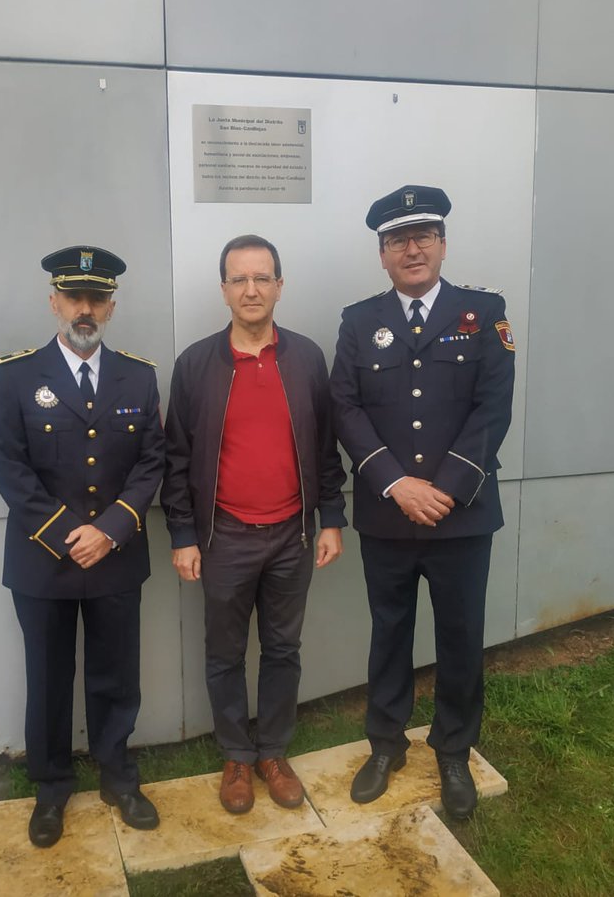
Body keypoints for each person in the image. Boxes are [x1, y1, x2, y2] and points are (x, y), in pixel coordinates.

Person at [330, 185, 515, 820]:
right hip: (388, 513)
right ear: (381, 254)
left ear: (442, 243)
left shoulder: (482, 312)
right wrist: (393, 482)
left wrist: (447, 488)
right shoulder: (358, 321)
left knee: (461, 636)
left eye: (422, 237)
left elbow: (493, 407)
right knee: (390, 631)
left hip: (461, 515)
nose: (411, 250)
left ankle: (455, 749)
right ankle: (386, 744)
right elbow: (345, 408)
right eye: (396, 241)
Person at [0, 245, 164, 848]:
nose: (84, 309)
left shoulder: (138, 375)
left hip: (115, 555)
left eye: (97, 298)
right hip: (44, 562)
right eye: (74, 297)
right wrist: (70, 534)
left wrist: (110, 528)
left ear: (111, 307)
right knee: (49, 677)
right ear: (54, 301)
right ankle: (52, 788)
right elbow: (9, 467)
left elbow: (151, 462)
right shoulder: (14, 376)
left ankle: (118, 775)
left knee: (116, 675)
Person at [161, 235, 347, 815]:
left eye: (262, 278)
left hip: (292, 534)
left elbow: (326, 448)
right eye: (239, 279)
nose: (251, 289)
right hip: (225, 538)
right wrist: (184, 535)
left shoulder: (307, 358)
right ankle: (237, 758)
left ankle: (273, 752)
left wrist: (331, 520)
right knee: (223, 654)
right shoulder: (196, 364)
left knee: (282, 649)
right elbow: (176, 459)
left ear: (279, 287)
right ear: (223, 290)